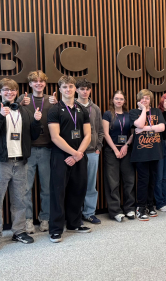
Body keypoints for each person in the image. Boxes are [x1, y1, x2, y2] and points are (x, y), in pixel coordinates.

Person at [0, 78, 42, 251]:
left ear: (16, 93)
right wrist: (1, 117)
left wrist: (37, 121)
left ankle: (18, 231)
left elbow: (34, 135)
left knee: (20, 199)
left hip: (21, 162)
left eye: (13, 90)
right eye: (6, 90)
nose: (9, 93)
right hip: (1, 163)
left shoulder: (24, 111)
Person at [48, 75, 92, 243]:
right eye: (65, 87)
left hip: (79, 156)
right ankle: (56, 229)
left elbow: (88, 135)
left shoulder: (82, 109)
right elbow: (55, 137)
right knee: (58, 193)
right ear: (60, 90)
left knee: (78, 189)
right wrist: (73, 153)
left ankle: (74, 223)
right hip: (61, 156)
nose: (68, 90)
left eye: (71, 87)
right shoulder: (54, 109)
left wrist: (78, 154)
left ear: (75, 89)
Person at [16, 70, 57, 234]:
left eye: (41, 81)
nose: (38, 84)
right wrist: (20, 105)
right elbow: (13, 118)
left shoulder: (52, 100)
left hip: (47, 148)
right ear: (30, 84)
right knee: (26, 188)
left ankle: (45, 218)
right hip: (29, 149)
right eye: (35, 81)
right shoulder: (23, 99)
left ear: (45, 83)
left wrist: (57, 103)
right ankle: (27, 220)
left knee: (46, 187)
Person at [129, 89, 165, 220]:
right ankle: (141, 207)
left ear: (151, 99)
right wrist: (143, 110)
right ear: (139, 100)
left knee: (153, 180)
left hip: (155, 151)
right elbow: (137, 123)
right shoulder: (134, 112)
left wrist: (144, 129)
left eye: (147, 98)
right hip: (141, 153)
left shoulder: (157, 111)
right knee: (143, 180)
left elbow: (162, 128)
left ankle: (150, 205)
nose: (145, 100)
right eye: (143, 98)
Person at [102, 90, 136, 222]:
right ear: (112, 100)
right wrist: (115, 150)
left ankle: (129, 208)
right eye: (116, 98)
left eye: (121, 99)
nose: (119, 101)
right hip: (111, 151)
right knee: (113, 181)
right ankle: (115, 211)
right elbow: (105, 133)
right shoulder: (107, 114)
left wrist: (126, 145)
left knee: (129, 180)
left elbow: (133, 133)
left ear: (124, 101)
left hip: (126, 149)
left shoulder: (129, 115)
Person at [76, 79, 104, 224]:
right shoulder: (72, 106)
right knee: (76, 184)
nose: (84, 91)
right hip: (76, 152)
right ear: (76, 90)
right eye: (81, 89)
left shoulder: (96, 108)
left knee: (91, 184)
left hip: (93, 152)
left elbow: (100, 130)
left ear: (90, 90)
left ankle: (89, 212)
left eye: (87, 89)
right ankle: (76, 214)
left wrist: (98, 148)